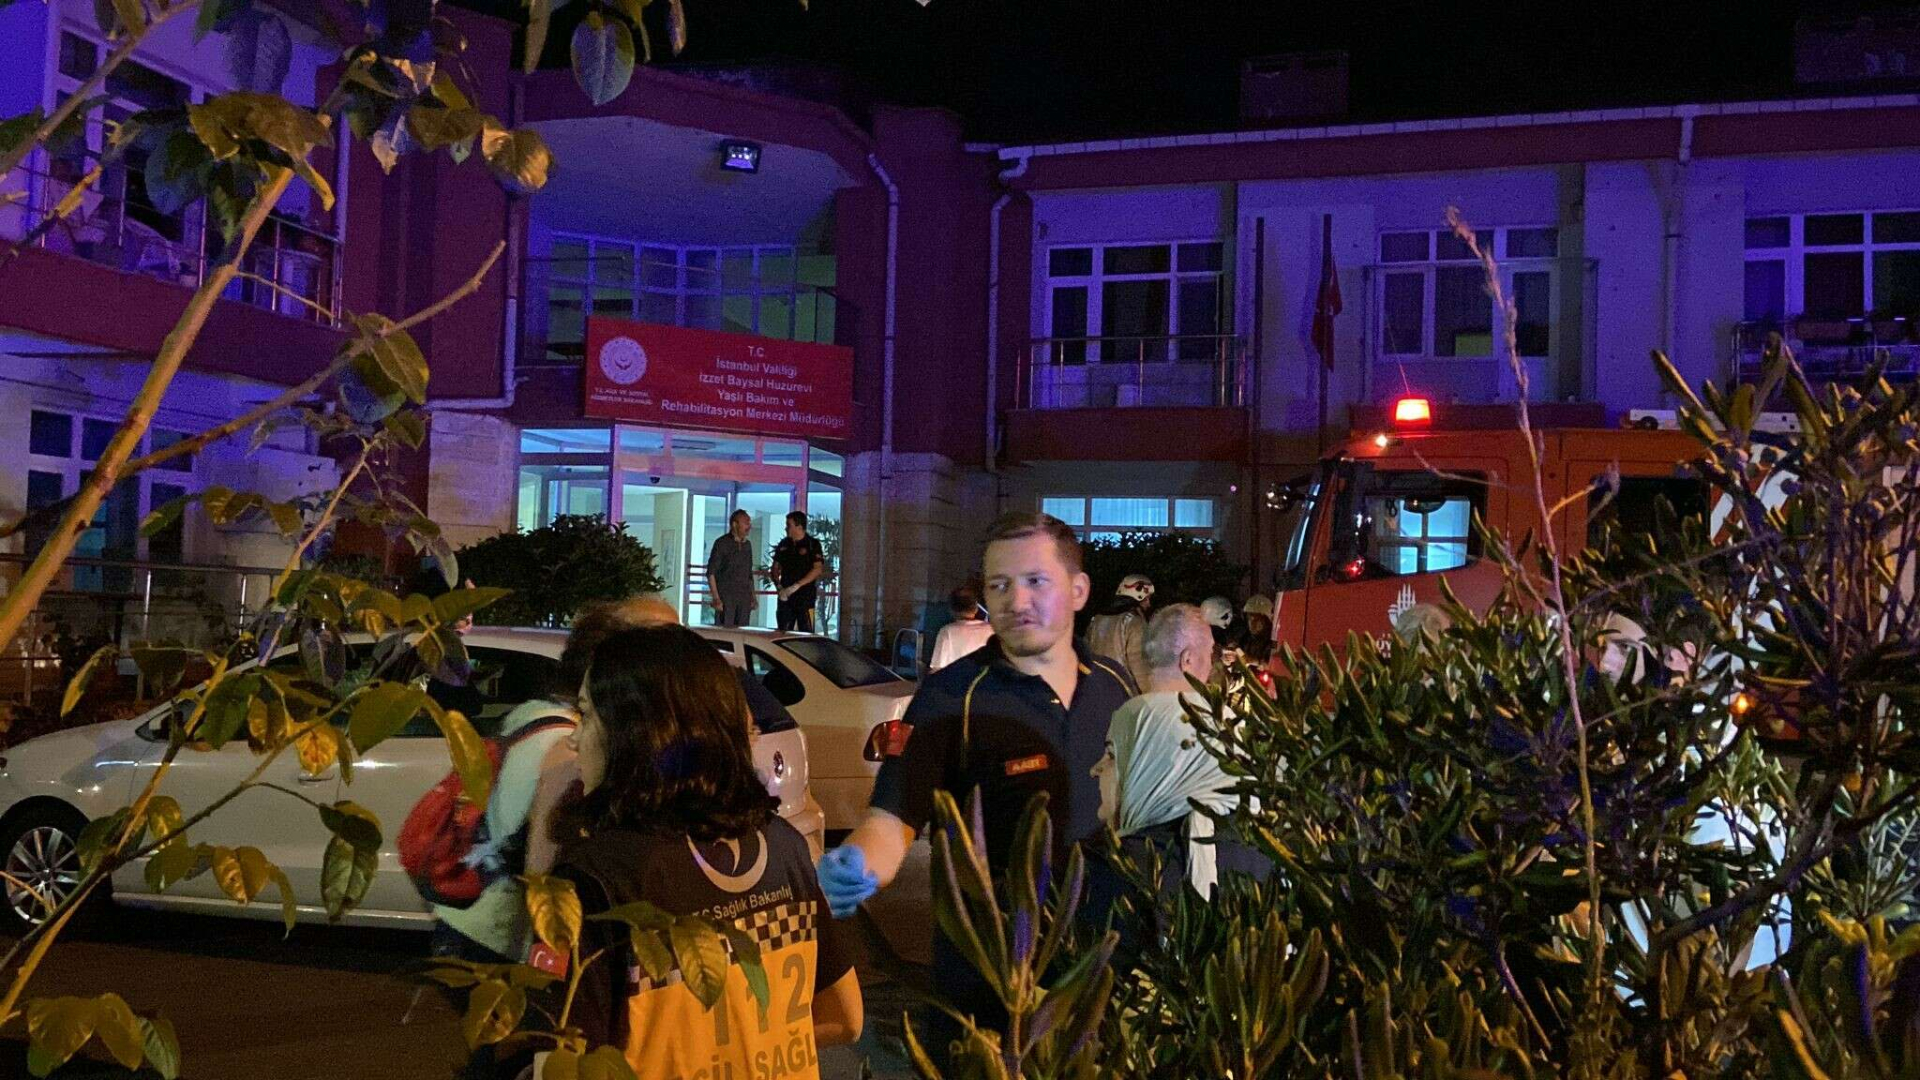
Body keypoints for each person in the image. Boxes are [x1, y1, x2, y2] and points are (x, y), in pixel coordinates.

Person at [813, 512, 1134, 1047]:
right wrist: (858, 863)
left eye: (1035, 581)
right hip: (988, 982)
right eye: (999, 585)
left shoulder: (1114, 685)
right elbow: (893, 818)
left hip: (1102, 971)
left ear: (1079, 591)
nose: (1016, 600)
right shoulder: (950, 697)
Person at [550, 625, 862, 1079]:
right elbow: (845, 1017)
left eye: (587, 713)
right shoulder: (786, 846)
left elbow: (563, 1063)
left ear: (636, 731)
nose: (573, 739)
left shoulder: (596, 878)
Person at [1086, 574, 1154, 690]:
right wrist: (1150, 694)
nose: (1149, 604)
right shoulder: (1134, 623)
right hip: (1123, 692)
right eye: (1146, 599)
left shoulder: (1096, 621)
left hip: (1097, 689)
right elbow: (1140, 668)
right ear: (1138, 598)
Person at [771, 511, 827, 634]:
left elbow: (817, 569)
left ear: (799, 527)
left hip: (805, 597)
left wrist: (797, 585)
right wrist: (779, 587)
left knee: (806, 632)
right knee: (783, 631)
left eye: (789, 525)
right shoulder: (784, 544)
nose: (786, 528)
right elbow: (774, 568)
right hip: (786, 597)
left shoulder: (812, 544)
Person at [706, 509, 758, 628]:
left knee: (743, 631)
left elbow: (749, 574)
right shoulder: (722, 543)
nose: (749, 526)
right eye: (746, 523)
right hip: (726, 597)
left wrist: (753, 597)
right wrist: (716, 598)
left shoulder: (747, 545)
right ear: (735, 524)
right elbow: (711, 572)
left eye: (749, 523)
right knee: (725, 630)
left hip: (744, 598)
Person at [927, 582, 992, 673]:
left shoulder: (947, 632)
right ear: (976, 608)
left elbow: (937, 669)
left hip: (956, 680)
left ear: (952, 610)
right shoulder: (991, 630)